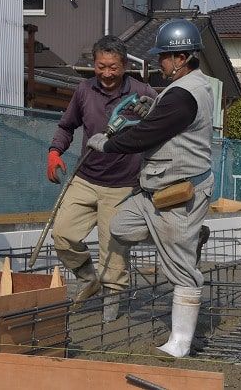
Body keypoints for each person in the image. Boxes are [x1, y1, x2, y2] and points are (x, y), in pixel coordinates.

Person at [87, 18, 214, 357]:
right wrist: (148, 113)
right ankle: (189, 237)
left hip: (178, 192)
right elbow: (159, 124)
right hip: (152, 192)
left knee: (181, 271)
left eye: (165, 57)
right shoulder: (182, 89)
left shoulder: (185, 95)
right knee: (120, 226)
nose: (160, 63)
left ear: (182, 58)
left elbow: (148, 135)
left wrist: (108, 145)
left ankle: (180, 344)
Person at [47, 35, 157, 321]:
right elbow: (67, 125)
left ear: (124, 65)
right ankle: (87, 277)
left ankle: (112, 297)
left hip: (123, 184)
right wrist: (55, 151)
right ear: (93, 64)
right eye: (101, 67)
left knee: (114, 248)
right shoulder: (84, 90)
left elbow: (164, 124)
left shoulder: (142, 91)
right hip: (85, 177)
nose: (107, 74)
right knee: (62, 233)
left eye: (113, 68)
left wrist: (152, 114)